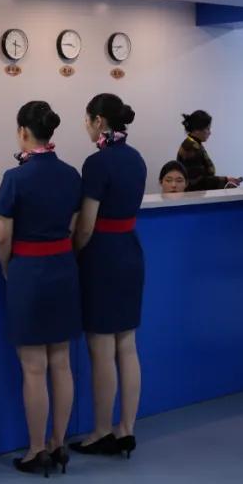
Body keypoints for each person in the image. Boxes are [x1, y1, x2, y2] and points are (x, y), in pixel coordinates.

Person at [0, 101, 82, 477]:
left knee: (33, 367)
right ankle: (59, 444)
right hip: (64, 269)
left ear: (23, 132)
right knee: (61, 362)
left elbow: (3, 238)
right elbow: (74, 226)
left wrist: (7, 268)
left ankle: (35, 450)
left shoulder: (15, 178)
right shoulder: (71, 174)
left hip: (28, 271)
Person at [72, 93, 147, 460]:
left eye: (87, 119)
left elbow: (86, 225)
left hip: (102, 256)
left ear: (99, 121)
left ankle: (101, 430)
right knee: (127, 345)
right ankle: (126, 428)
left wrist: (72, 253)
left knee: (101, 348)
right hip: (130, 252)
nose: (85, 126)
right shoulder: (136, 159)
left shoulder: (96, 163)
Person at [177, 110, 242, 191]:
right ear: (197, 130)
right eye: (207, 128)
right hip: (193, 196)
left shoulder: (193, 144)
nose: (210, 132)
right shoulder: (191, 148)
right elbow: (198, 182)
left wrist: (226, 181)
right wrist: (225, 180)